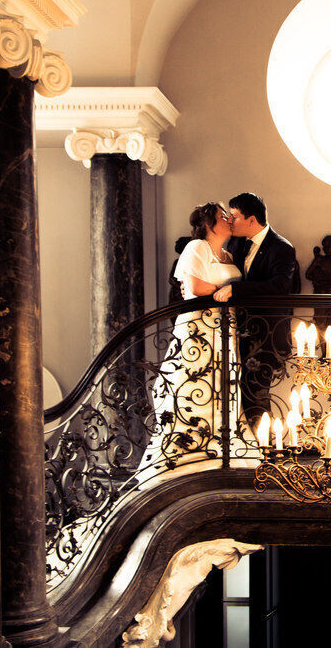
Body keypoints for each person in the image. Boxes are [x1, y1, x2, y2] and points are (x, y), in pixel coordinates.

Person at [139, 202, 241, 475]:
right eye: (223, 216)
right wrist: (225, 290)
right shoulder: (197, 247)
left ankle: (220, 451)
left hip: (224, 327)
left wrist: (229, 291)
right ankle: (187, 456)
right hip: (200, 327)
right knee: (195, 383)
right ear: (209, 224)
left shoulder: (228, 254)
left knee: (222, 385)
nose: (229, 219)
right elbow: (194, 286)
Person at [218, 193, 298, 426]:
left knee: (256, 394)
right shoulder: (235, 243)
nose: (230, 221)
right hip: (237, 330)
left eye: (234, 216)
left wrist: (237, 290)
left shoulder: (281, 248)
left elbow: (280, 286)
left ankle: (263, 444)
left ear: (251, 220)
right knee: (235, 394)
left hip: (266, 334)